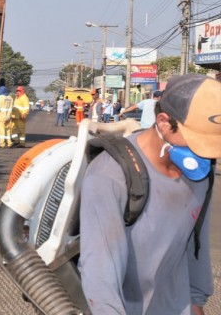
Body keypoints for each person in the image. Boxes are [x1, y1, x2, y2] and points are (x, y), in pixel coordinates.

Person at [79, 74, 221, 314]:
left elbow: (196, 243)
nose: (206, 154)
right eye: (198, 142)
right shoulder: (110, 176)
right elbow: (100, 277)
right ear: (164, 122)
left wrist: (196, 301)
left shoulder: (200, 173)